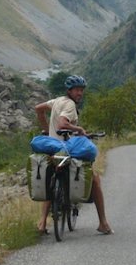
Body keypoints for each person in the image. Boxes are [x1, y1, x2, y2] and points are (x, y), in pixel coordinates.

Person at [34, 75, 113, 235]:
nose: (80, 93)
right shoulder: (69, 105)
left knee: (51, 176)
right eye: (77, 90)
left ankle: (42, 222)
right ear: (69, 90)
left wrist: (46, 131)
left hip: (52, 148)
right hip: (65, 149)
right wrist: (80, 130)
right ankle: (103, 223)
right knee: (95, 179)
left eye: (81, 90)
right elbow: (63, 123)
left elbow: (38, 109)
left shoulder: (56, 101)